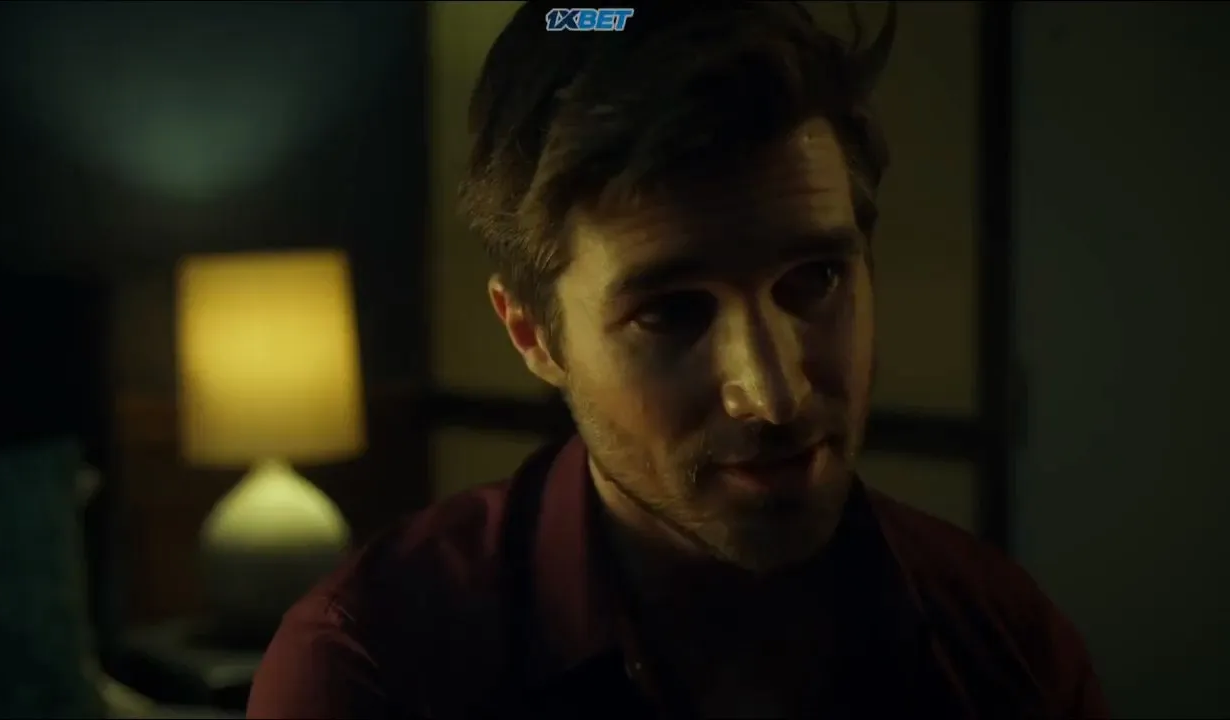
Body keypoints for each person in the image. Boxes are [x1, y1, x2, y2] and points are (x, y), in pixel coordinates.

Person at [248, 2, 1107, 717]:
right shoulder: (371, 671)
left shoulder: (1001, 641)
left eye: (814, 280)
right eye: (670, 312)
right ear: (533, 335)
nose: (773, 394)